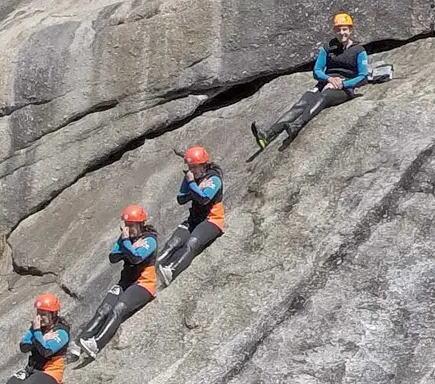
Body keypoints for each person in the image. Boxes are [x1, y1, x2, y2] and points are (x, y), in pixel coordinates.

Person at [253, 13, 370, 151]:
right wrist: (329, 79)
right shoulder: (327, 48)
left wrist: (342, 84)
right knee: (302, 103)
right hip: (325, 83)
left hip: (344, 88)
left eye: (344, 29)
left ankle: (297, 125)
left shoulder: (359, 51)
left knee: (325, 95)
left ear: (350, 29)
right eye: (338, 29)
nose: (341, 33)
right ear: (334, 30)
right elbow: (317, 71)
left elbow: (363, 77)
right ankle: (267, 136)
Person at [76, 206, 160, 360]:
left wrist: (127, 243)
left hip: (143, 284)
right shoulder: (126, 238)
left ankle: (96, 343)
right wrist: (127, 245)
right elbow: (113, 257)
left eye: (131, 225)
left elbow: (137, 258)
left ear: (140, 224)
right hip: (126, 282)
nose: (128, 228)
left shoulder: (150, 239)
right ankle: (79, 343)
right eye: (126, 225)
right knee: (103, 309)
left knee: (118, 308)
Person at [155, 147, 224, 287]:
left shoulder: (214, 178)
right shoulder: (190, 177)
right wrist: (193, 185)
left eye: (194, 167)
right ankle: (154, 267)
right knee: (172, 243)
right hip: (194, 219)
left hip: (212, 220)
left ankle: (171, 270)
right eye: (189, 167)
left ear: (203, 165)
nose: (192, 170)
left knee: (191, 243)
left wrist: (193, 185)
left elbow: (204, 199)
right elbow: (181, 199)